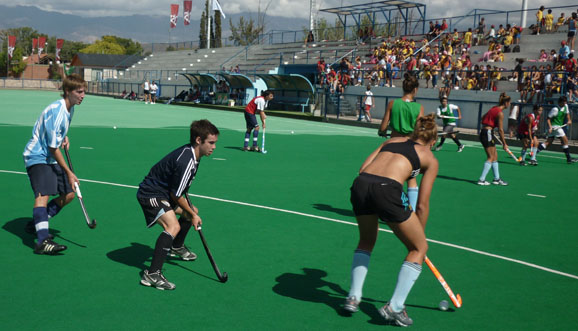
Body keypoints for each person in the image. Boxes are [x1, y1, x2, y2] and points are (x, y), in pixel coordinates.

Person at [343, 114, 439, 327]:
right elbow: (422, 205)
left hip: (361, 185)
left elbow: (363, 169)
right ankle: (395, 307)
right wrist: (417, 238)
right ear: (433, 141)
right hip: (386, 191)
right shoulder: (430, 159)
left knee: (366, 241)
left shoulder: (392, 141)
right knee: (419, 248)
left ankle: (353, 297)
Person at [137, 119, 220, 290]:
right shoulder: (187, 160)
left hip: (165, 193)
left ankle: (176, 246)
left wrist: (192, 213)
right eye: (211, 143)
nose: (214, 147)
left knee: (192, 211)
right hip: (151, 193)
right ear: (199, 140)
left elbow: (182, 190)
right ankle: (152, 274)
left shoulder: (194, 155)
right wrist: (194, 215)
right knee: (173, 226)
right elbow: (176, 194)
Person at [22, 73, 86, 254]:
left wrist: (63, 137)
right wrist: (69, 172)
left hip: (49, 156)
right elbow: (52, 147)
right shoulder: (57, 110)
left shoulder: (70, 107)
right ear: (68, 91)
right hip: (37, 156)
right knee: (43, 196)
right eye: (79, 92)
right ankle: (42, 241)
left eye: (83, 92)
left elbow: (57, 134)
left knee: (69, 194)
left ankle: (37, 223)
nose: (83, 96)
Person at [379, 73, 424, 210]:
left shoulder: (393, 104)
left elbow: (383, 127)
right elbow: (420, 129)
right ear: (415, 89)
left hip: (393, 144)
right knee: (411, 178)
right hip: (410, 145)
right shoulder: (419, 107)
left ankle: (387, 206)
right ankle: (411, 210)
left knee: (388, 175)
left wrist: (382, 132)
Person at [477, 92, 510, 186]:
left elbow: (483, 118)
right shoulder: (500, 113)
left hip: (487, 132)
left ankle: (497, 179)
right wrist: (504, 143)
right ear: (506, 103)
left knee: (495, 156)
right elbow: (500, 130)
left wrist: (490, 126)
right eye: (509, 103)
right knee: (491, 157)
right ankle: (481, 179)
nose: (509, 104)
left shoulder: (493, 108)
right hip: (487, 133)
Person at [536, 96, 577, 164]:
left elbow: (567, 114)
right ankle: (569, 158)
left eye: (565, 102)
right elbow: (548, 118)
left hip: (558, 126)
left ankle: (534, 152)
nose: (564, 104)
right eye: (563, 103)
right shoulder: (555, 109)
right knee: (565, 140)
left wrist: (569, 120)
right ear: (559, 102)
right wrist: (550, 127)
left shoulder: (566, 106)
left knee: (548, 143)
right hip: (555, 126)